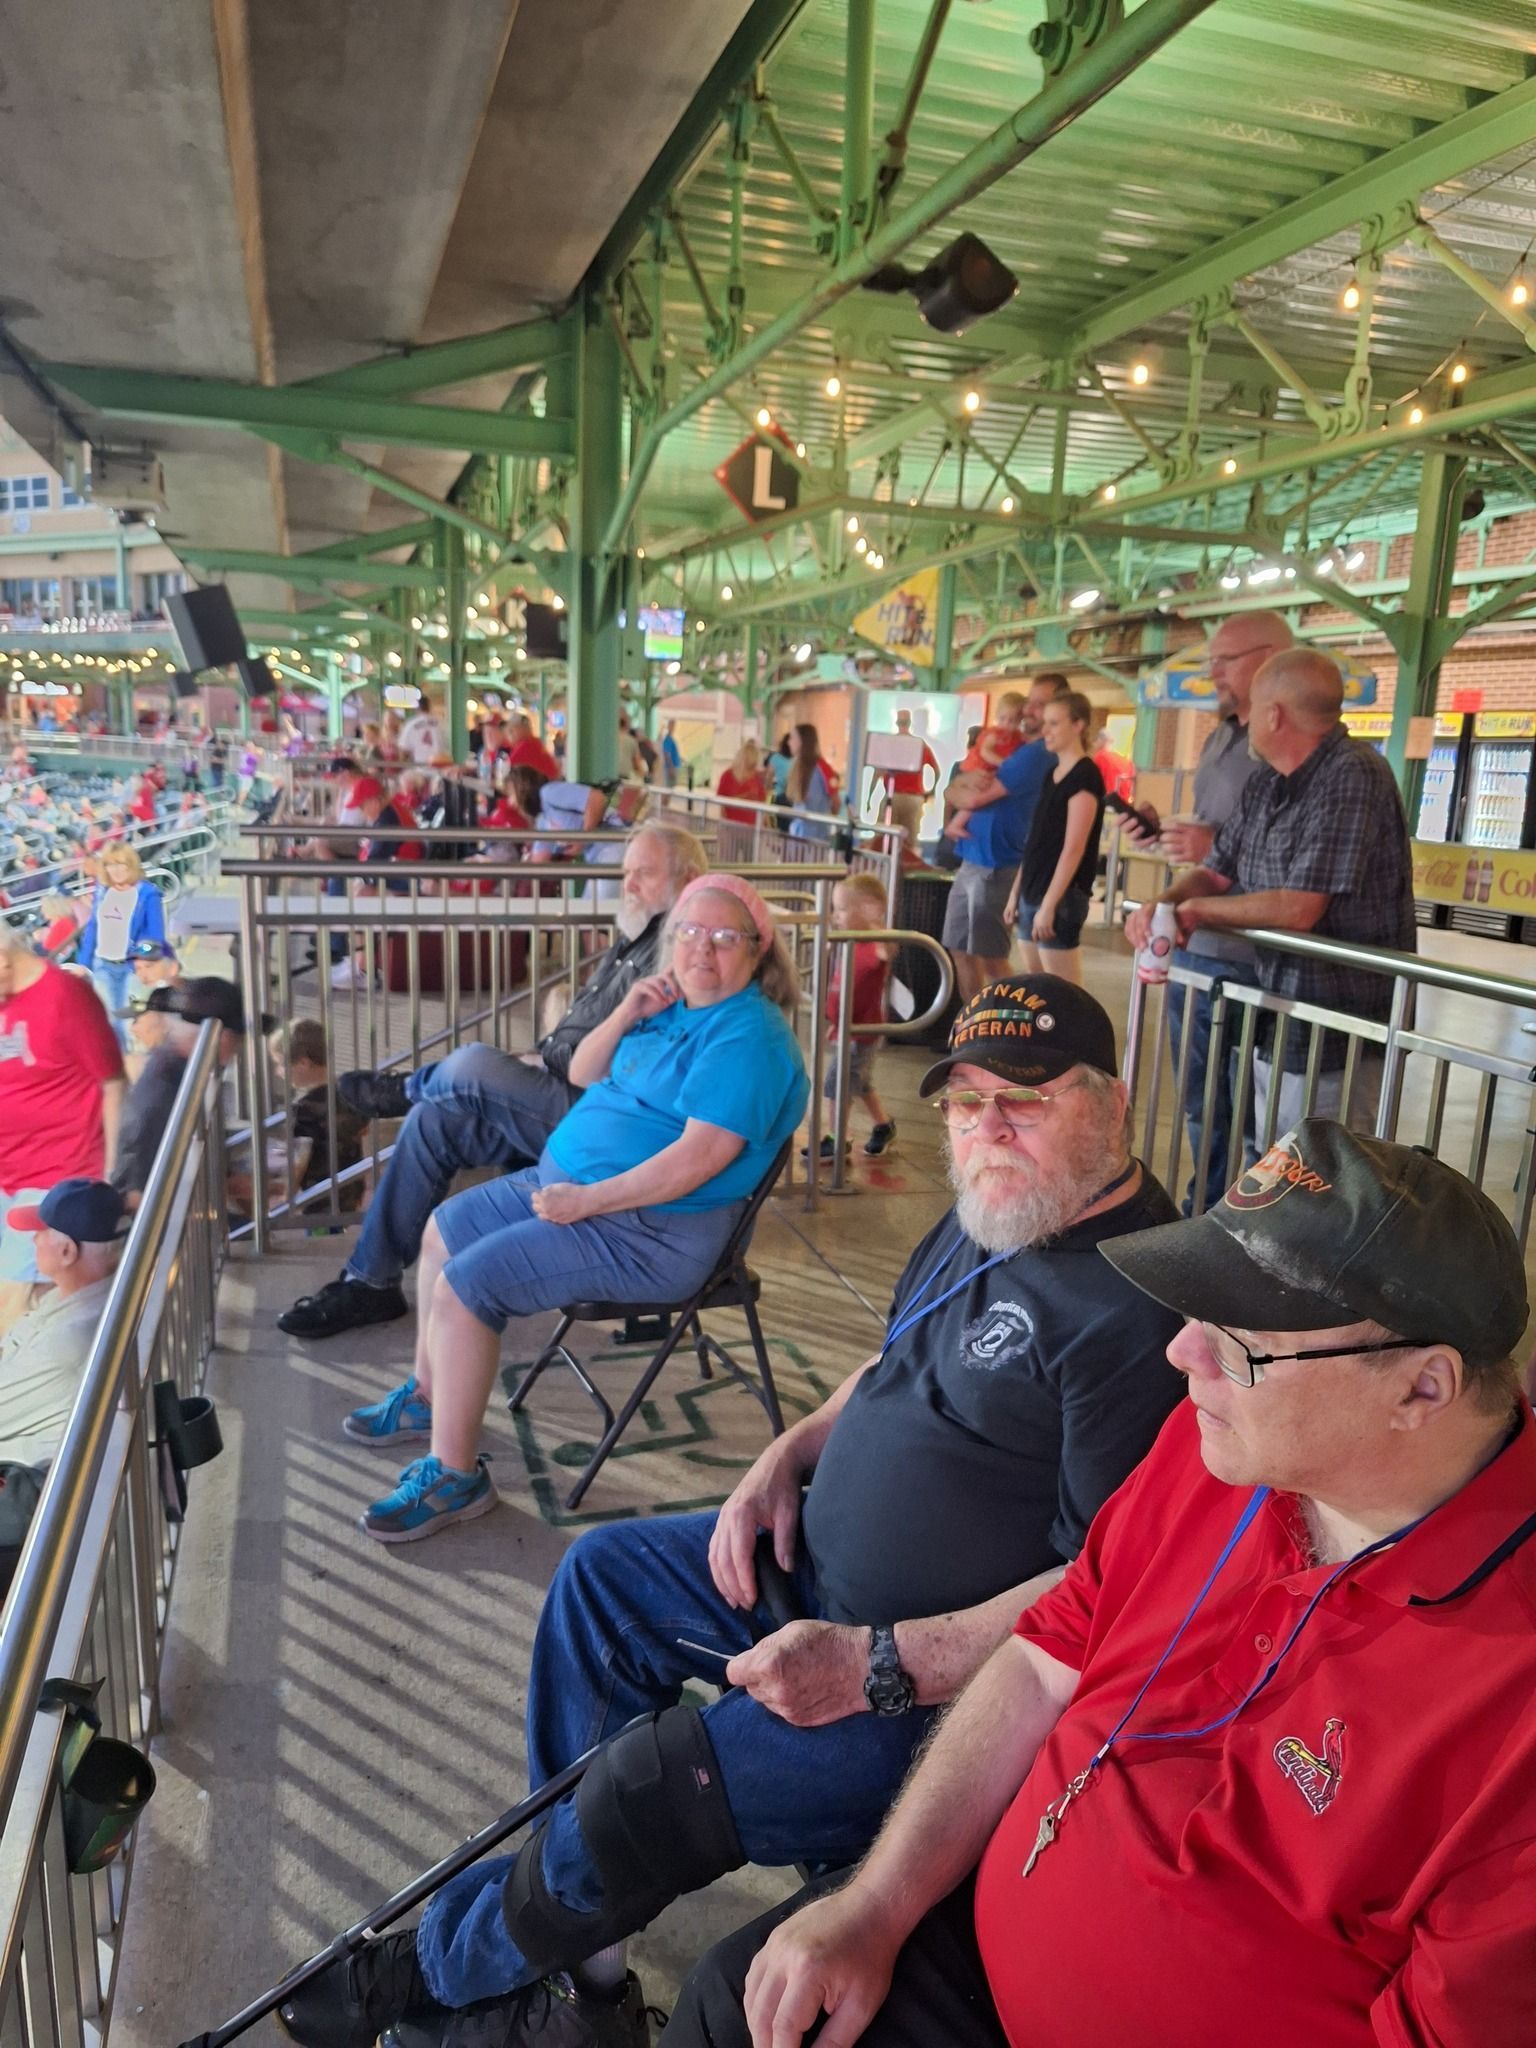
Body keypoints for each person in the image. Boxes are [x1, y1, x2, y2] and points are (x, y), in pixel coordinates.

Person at [277, 976, 1184, 2048]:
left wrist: (876, 1660)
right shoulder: (997, 1205)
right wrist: (784, 1452)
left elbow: (1104, 1589)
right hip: (806, 1566)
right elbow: (893, 1365)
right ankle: (584, 1983)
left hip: (915, 1699)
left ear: (1112, 1104)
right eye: (964, 1099)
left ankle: (443, 1965)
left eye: (1026, 1098)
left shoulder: (1138, 1307)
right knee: (601, 1580)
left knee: (648, 1785)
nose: (986, 1126)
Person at [672, 1119, 1536, 2048]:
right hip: (968, 1953)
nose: (1183, 1355)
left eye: (1240, 1342)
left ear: (1422, 1390)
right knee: (738, 1999)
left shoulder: (1510, 1701)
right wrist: (876, 1906)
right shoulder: (1222, 1449)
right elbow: (1047, 1658)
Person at [346, 873, 810, 1544]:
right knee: (443, 1231)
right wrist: (627, 1012)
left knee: (466, 1286)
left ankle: (455, 1476)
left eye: (723, 938)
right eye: (687, 932)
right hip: (572, 1190)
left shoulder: (749, 1040)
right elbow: (584, 1074)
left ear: (758, 950)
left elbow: (695, 1162)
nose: (701, 950)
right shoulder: (673, 1005)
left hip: (652, 1230)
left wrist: (586, 1200)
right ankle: (428, 1396)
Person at [276, 826, 708, 1339]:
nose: (629, 883)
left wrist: (545, 1059)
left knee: (474, 1062)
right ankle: (372, 1282)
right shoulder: (637, 936)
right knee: (434, 1120)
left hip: (601, 1122)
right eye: (627, 871)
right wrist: (540, 1055)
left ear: (689, 880)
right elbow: (588, 1030)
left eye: (645, 873)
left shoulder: (684, 954)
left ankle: (399, 1090)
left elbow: (635, 1061)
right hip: (564, 1085)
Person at [1128, 648, 1414, 1140]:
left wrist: (1193, 912)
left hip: (1338, 1024)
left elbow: (1299, 907)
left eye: (1253, 708)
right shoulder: (1267, 782)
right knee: (1270, 1155)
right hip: (1278, 1010)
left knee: (1319, 1172)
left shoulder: (1353, 773)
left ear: (1274, 715)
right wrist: (1167, 902)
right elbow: (1216, 872)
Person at [1123, 609, 1292, 1212]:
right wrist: (1173, 853)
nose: (1212, 672)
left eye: (1225, 660)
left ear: (1270, 658)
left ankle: (1234, 1218)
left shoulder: (1285, 752)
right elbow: (1216, 850)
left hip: (1248, 957)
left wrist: (1211, 851)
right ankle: (1206, 1208)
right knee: (1199, 1099)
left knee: (1248, 1106)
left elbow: (1286, 865)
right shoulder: (1223, 736)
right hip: (1197, 944)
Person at [0, 1178, 129, 1599]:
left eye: (41, 1232)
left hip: (30, 1504)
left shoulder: (69, 1341)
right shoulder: (76, 1296)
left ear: (68, 1252)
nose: (33, 1239)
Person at [0, 927, 124, 1335]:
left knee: (20, 1307)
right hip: (10, 1173)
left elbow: (112, 1082)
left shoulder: (66, 995)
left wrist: (112, 1176)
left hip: (59, 1175)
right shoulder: (7, 999)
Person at [940, 675, 1066, 1003]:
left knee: (991, 955)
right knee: (959, 948)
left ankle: (1014, 1021)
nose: (1030, 709)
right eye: (1031, 701)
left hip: (998, 864)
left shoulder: (1035, 755)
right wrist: (958, 787)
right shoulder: (1019, 747)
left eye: (1041, 704)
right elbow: (959, 789)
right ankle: (976, 1023)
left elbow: (969, 798)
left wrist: (958, 788)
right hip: (974, 857)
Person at [111, 976, 266, 1207]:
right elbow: (138, 1191)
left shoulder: (183, 1073)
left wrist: (227, 1180)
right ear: (219, 1037)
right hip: (173, 1221)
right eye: (237, 1036)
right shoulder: (167, 1091)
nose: (238, 1046)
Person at [1004, 690, 1104, 985]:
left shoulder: (1085, 776)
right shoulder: (1052, 773)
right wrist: (1015, 892)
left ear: (1078, 725)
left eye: (1054, 723)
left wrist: (1049, 905)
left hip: (1060, 895)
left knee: (1063, 993)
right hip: (1033, 888)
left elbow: (1074, 847)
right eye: (1045, 723)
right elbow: (1037, 839)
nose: (1045, 730)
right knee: (1038, 988)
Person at [810, 870, 896, 1162]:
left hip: (863, 1032)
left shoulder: (875, 944)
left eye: (843, 909)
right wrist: (834, 1023)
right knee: (860, 1083)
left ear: (869, 910)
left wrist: (875, 922)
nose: (836, 916)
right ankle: (883, 1125)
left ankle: (837, 1138)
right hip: (847, 1027)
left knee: (838, 1085)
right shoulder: (853, 943)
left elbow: (887, 951)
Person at [75, 844, 168, 1043]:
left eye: (121, 865)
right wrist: (83, 963)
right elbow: (93, 928)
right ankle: (122, 1065)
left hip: (131, 968)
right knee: (109, 1022)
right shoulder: (102, 891)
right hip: (102, 965)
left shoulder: (147, 894)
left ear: (131, 866)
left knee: (128, 1025)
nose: (116, 871)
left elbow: (155, 936)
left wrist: (142, 960)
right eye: (110, 865)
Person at [877, 709, 939, 848]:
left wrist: (870, 797)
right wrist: (931, 792)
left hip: (893, 797)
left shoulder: (889, 743)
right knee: (909, 842)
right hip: (914, 798)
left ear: (896, 723)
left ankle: (886, 867)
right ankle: (906, 868)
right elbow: (936, 769)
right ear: (910, 723)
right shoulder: (919, 744)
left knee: (885, 840)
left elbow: (878, 773)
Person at [786, 724, 839, 844]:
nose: (789, 742)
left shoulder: (822, 768)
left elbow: (836, 801)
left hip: (817, 836)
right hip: (798, 834)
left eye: (793, 738)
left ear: (802, 741)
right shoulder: (795, 767)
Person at [716, 739, 768, 826]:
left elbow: (763, 803)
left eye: (753, 766)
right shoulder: (727, 776)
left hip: (751, 827)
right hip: (730, 825)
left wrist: (764, 824)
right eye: (750, 766)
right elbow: (721, 803)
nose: (752, 770)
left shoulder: (757, 777)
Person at [505, 713, 561, 783]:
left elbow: (508, 768)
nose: (510, 735)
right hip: (549, 785)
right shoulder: (535, 742)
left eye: (512, 730)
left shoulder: (526, 745)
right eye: (510, 731)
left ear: (524, 729)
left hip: (542, 788)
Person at [660, 719, 683, 788]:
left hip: (673, 767)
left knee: (670, 789)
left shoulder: (671, 738)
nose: (674, 727)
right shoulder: (668, 739)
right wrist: (671, 768)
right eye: (672, 725)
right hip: (670, 768)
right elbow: (666, 754)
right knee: (668, 790)